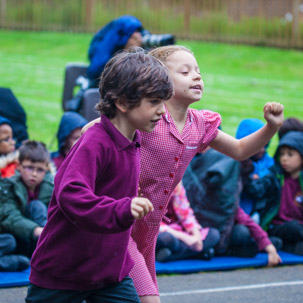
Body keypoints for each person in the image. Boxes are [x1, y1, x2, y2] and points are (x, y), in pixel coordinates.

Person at [83, 45, 284, 303]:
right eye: (185, 71)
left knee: (111, 293)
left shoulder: (199, 124)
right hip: (121, 222)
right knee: (148, 298)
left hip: (149, 228)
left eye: (198, 71)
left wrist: (271, 127)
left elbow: (240, 149)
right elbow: (93, 129)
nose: (197, 76)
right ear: (158, 78)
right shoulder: (146, 117)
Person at [25, 49, 173, 303]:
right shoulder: (95, 142)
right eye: (153, 102)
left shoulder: (134, 140)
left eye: (163, 102)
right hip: (64, 271)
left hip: (109, 273)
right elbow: (70, 193)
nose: (162, 111)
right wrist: (122, 208)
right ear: (123, 103)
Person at [183, 148, 281, 265]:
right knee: (212, 235)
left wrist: (269, 246)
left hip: (218, 236)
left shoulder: (226, 198)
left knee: (241, 232)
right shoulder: (196, 188)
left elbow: (245, 219)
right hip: (193, 233)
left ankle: (253, 245)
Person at [246, 131, 303, 255]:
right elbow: (257, 189)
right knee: (294, 228)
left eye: (290, 154)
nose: (284, 158)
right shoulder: (275, 177)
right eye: (281, 154)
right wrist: (251, 180)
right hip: (277, 225)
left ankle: (288, 246)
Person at [0, 140, 53, 258]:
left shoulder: (50, 187)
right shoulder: (7, 184)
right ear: (19, 166)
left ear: (46, 170)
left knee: (37, 206)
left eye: (40, 170)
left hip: (36, 241)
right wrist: (37, 231)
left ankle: (47, 246)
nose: (34, 174)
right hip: (12, 235)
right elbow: (9, 217)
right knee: (9, 242)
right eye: (29, 168)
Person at [156, 182, 220, 262]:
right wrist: (186, 238)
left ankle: (171, 256)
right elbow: (153, 223)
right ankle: (198, 253)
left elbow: (186, 213)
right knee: (167, 238)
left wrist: (197, 238)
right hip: (162, 231)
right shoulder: (151, 187)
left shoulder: (177, 185)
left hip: (180, 229)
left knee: (214, 234)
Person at [236, 118, 275, 223]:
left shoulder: (269, 162)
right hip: (239, 213)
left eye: (265, 145)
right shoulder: (235, 162)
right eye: (258, 145)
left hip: (259, 213)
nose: (262, 149)